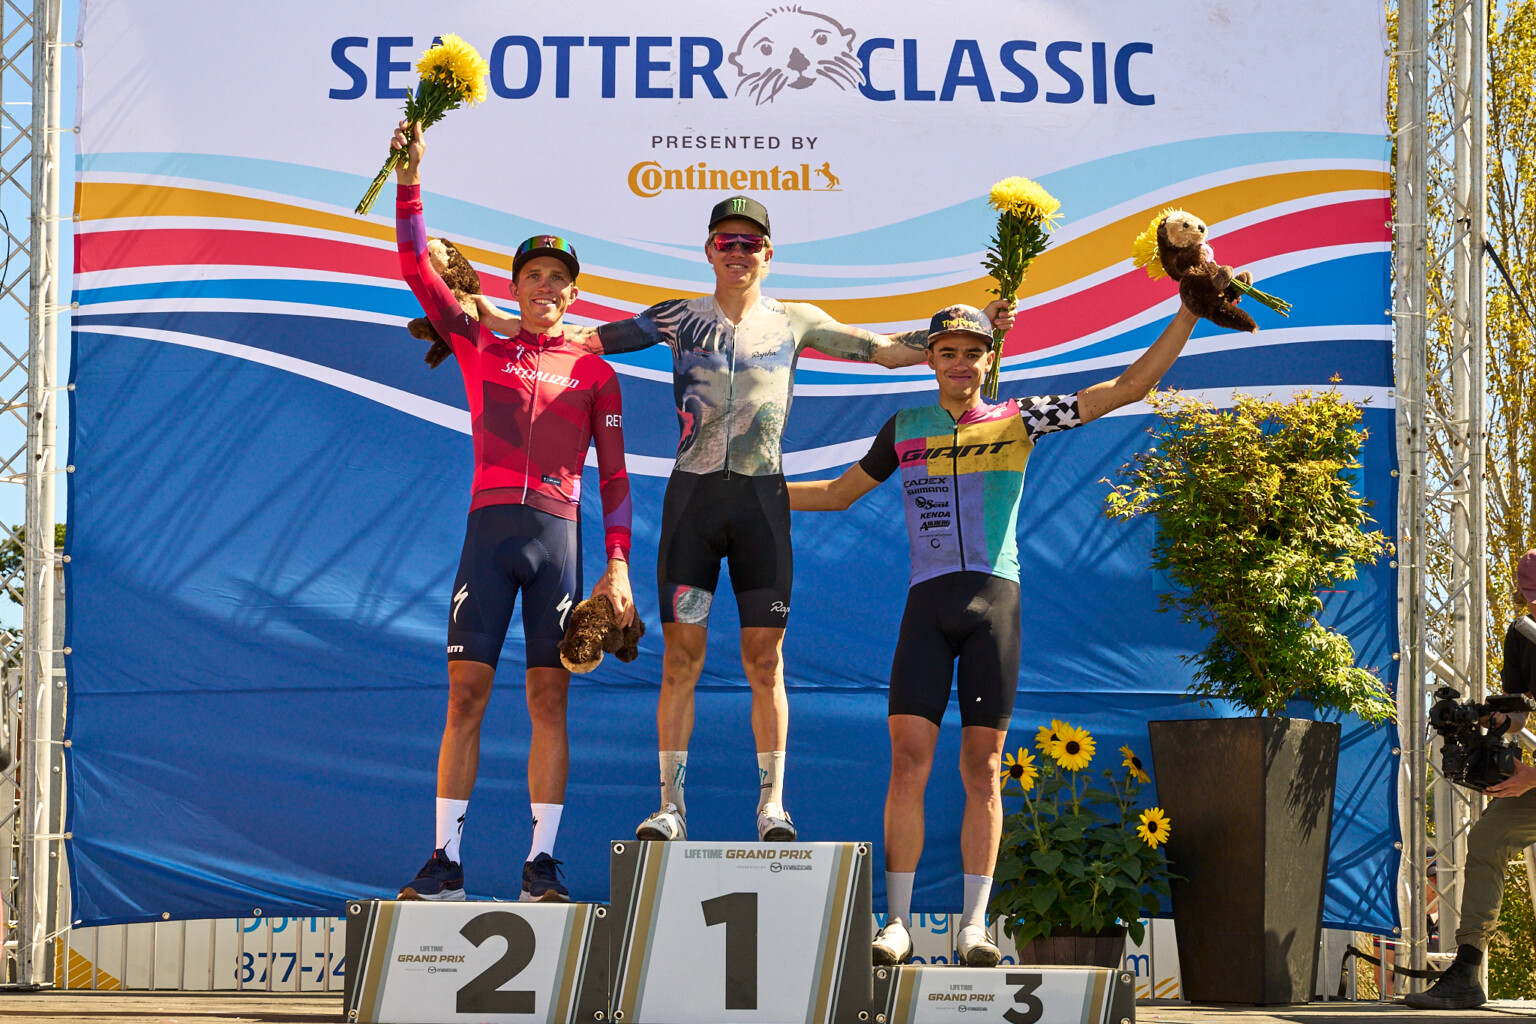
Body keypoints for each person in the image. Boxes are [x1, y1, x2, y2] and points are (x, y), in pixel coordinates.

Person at [475, 197, 1011, 842]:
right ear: (709, 251)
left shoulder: (796, 320)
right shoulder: (677, 317)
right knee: (681, 659)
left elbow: (888, 352)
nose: (737, 252)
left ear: (768, 254)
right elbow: (577, 337)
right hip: (693, 506)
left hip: (761, 506)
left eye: (750, 243)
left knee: (765, 660)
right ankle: (670, 808)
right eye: (726, 242)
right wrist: (492, 318)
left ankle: (772, 807)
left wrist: (975, 325)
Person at [786, 300, 1199, 967]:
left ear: (990, 359)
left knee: (982, 768)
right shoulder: (905, 427)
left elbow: (1128, 389)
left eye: (973, 352)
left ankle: (974, 928)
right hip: (927, 606)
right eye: (947, 352)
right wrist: (751, 490)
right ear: (930, 359)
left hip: (993, 605)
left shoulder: (1020, 418)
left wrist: (1186, 313)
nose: (960, 363)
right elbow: (837, 494)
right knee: (907, 761)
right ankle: (898, 925)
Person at [390, 121, 635, 903]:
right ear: (517, 285)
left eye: (559, 279)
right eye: (534, 275)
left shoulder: (594, 373)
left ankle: (542, 865)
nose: (546, 288)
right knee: (465, 696)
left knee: (548, 699)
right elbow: (415, 267)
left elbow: (616, 478)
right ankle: (444, 862)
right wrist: (410, 179)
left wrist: (619, 566)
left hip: (557, 539)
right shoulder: (478, 344)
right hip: (489, 534)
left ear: (573, 293)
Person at [1407, 551, 1536, 1010]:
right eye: (1530, 595)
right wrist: (1490, 717)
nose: (1535, 605)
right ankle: (1466, 973)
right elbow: (1519, 710)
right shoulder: (1523, 634)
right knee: (1487, 837)